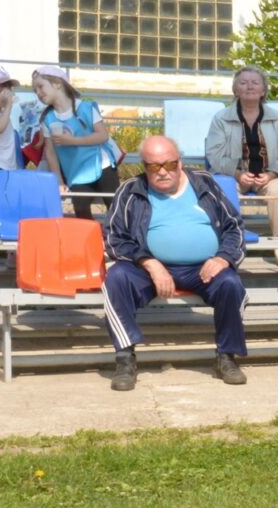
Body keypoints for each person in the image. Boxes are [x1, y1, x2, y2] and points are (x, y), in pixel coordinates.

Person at [100, 135, 249, 392]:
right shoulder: (130, 190)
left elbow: (234, 227)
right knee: (116, 278)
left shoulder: (205, 183)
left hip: (202, 267)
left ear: (180, 162)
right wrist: (149, 262)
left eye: (168, 164)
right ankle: (125, 359)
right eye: (153, 166)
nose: (162, 172)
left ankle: (227, 357)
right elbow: (114, 238)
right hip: (147, 268)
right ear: (144, 167)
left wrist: (222, 257)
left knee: (230, 283)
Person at [204, 65, 278, 269]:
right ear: (235, 89)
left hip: (268, 176)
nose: (249, 87)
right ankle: (228, 245)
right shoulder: (221, 119)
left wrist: (273, 174)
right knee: (223, 186)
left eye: (255, 82)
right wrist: (237, 173)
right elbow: (215, 154)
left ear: (263, 90)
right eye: (243, 82)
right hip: (234, 176)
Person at [33, 65, 114, 204]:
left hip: (102, 165)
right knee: (80, 206)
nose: (38, 93)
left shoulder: (86, 108)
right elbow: (50, 152)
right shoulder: (48, 118)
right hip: (76, 173)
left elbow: (102, 136)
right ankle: (90, 227)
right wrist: (59, 183)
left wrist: (72, 140)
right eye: (35, 90)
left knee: (114, 205)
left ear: (57, 84)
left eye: (40, 86)